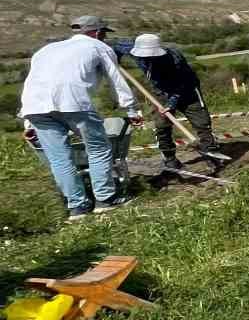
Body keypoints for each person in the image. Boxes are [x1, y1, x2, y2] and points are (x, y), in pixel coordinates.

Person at [17, 16, 144, 217]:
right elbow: (116, 80)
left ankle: (78, 206)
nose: (103, 37)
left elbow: (33, 82)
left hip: (34, 106)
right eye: (103, 33)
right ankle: (105, 198)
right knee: (99, 148)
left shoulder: (45, 50)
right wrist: (131, 110)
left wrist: (28, 123)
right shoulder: (98, 47)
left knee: (59, 158)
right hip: (73, 102)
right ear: (96, 33)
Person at [113, 33, 221, 171]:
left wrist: (171, 104)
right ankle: (169, 159)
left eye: (152, 56)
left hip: (187, 89)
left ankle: (211, 154)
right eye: (145, 56)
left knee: (202, 123)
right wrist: (115, 60)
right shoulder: (130, 48)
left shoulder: (174, 58)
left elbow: (182, 83)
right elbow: (114, 48)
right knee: (162, 125)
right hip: (160, 91)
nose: (148, 59)